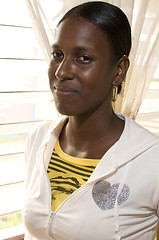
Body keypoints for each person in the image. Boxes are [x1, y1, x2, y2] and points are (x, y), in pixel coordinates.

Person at [22, 1, 159, 240]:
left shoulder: (152, 159)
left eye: (83, 58)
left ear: (118, 70)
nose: (61, 71)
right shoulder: (38, 139)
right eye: (58, 55)